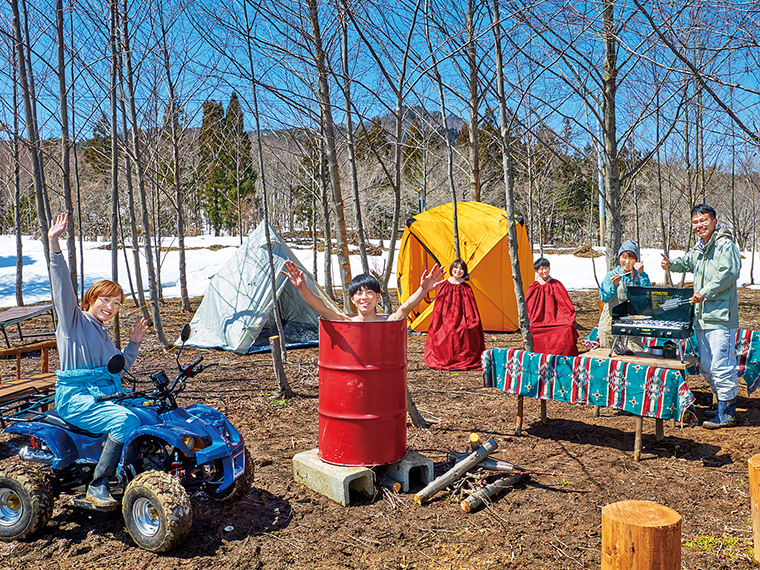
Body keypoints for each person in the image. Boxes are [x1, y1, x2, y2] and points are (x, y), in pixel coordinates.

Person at [48, 212, 148, 507]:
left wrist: (134, 344)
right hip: (76, 397)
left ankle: (131, 472)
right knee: (124, 420)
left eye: (116, 303)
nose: (111, 306)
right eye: (106, 299)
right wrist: (54, 243)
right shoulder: (73, 322)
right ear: (91, 298)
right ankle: (98, 484)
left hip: (104, 395)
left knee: (146, 414)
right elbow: (61, 284)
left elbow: (120, 366)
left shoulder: (104, 334)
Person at [661, 204, 741, 429]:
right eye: (695, 222)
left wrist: (704, 292)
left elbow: (730, 272)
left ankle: (727, 413)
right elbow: (687, 261)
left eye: (703, 220)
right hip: (702, 317)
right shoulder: (700, 248)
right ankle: (722, 404)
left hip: (721, 317)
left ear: (714, 221)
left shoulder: (724, 245)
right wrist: (671, 264)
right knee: (706, 366)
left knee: (721, 366)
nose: (699, 225)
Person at [282, 260, 445, 322]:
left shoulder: (388, 322)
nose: (364, 298)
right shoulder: (347, 322)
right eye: (358, 293)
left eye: (369, 293)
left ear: (377, 296)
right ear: (352, 299)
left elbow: (405, 308)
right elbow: (321, 308)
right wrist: (302, 288)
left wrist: (423, 290)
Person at [423, 259, 486, 370]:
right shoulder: (443, 284)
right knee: (446, 332)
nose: (458, 271)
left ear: (464, 271)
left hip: (462, 318)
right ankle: (445, 358)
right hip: (445, 318)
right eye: (456, 268)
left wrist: (469, 322)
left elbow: (471, 308)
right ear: (451, 269)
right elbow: (438, 306)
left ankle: (461, 359)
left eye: (461, 269)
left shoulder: (466, 287)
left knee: (463, 331)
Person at [597, 239, 651, 352]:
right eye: (624, 257)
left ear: (636, 259)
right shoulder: (611, 275)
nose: (627, 261)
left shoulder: (639, 276)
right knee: (608, 355)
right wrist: (614, 285)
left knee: (636, 353)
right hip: (610, 319)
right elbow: (605, 298)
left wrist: (642, 274)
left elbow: (649, 298)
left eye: (631, 257)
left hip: (632, 320)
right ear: (619, 258)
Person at [525, 257, 578, 356]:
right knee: (533, 327)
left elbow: (565, 304)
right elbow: (529, 306)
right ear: (536, 271)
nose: (544, 271)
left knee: (566, 327)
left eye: (546, 268)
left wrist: (568, 317)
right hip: (539, 320)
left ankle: (564, 355)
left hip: (557, 319)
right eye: (541, 269)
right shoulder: (534, 287)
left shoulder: (556, 284)